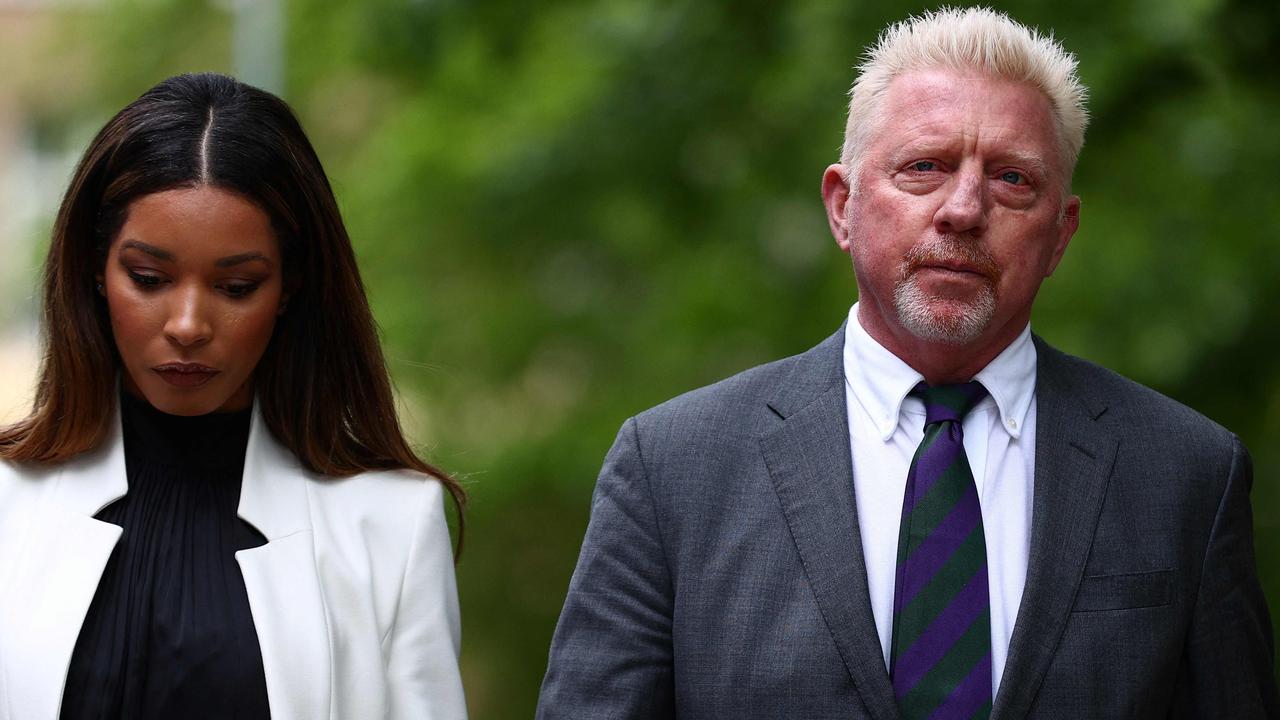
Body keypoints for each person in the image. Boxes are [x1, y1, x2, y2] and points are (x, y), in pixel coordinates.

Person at [537, 7, 1278, 719]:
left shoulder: (1186, 476)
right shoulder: (673, 470)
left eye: (1012, 179)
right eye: (925, 166)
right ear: (842, 206)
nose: (963, 208)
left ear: (1060, 234)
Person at [0, 73, 467, 719]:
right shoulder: (8, 504)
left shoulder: (392, 525)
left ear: (290, 288)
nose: (188, 324)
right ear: (94, 269)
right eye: (149, 277)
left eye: (237, 286)